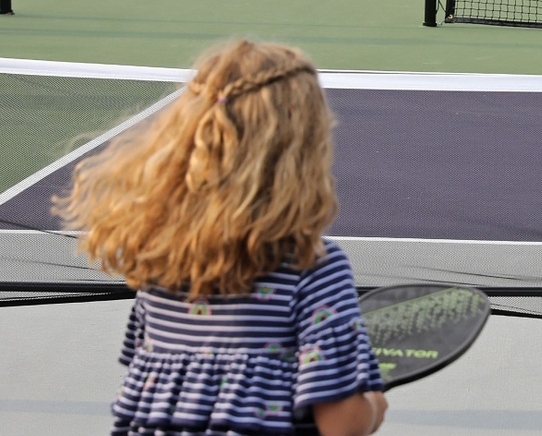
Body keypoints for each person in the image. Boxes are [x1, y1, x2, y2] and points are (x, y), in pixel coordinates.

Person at [54, 39, 388, 436]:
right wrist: (373, 403)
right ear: (304, 151)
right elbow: (343, 426)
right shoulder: (312, 268)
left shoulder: (158, 255)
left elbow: (149, 378)